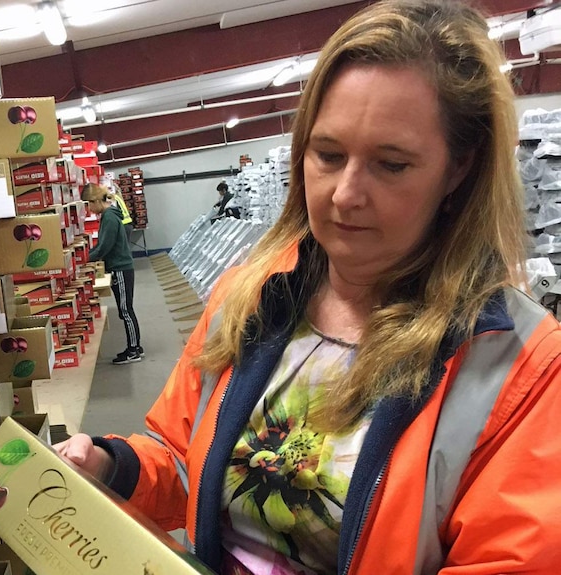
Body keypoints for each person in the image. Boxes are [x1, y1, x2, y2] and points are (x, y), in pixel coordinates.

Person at [57, 1, 561, 574]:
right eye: (328, 154)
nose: (345, 193)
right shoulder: (245, 300)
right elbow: (183, 461)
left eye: (390, 164)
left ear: (458, 169)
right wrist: (112, 464)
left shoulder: (522, 371)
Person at [82, 183, 144, 364]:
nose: (89, 209)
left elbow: (104, 247)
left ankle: (134, 350)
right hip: (120, 267)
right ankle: (135, 346)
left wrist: (82, 259)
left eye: (88, 204)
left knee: (125, 310)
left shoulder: (109, 217)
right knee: (126, 310)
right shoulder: (109, 215)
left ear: (94, 201)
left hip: (120, 268)